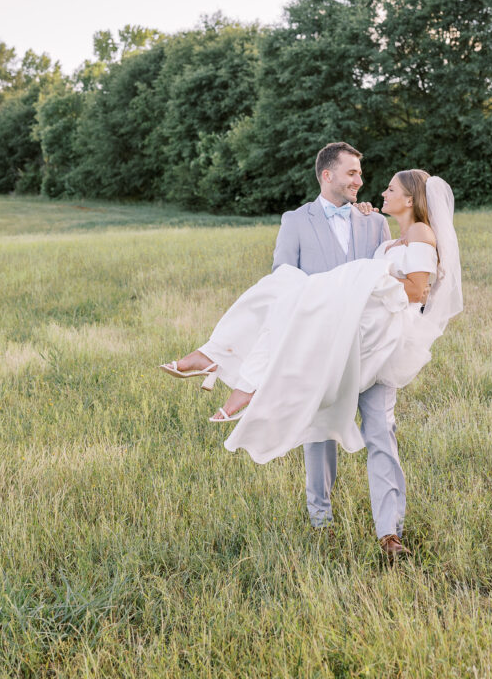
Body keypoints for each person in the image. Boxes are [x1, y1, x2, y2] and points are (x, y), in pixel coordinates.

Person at [161, 149, 463, 559]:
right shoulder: (295, 221)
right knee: (318, 429)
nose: (361, 182)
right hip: (322, 339)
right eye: (352, 173)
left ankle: (390, 533)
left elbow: (413, 282)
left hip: (372, 340)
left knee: (380, 431)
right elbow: (284, 277)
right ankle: (321, 520)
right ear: (327, 174)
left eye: (364, 175)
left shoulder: (375, 220)